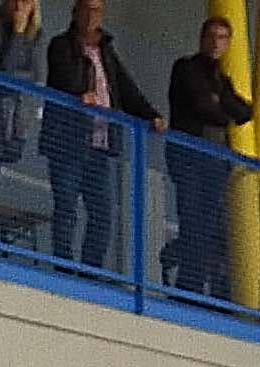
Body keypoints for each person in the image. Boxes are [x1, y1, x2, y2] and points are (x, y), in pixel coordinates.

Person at [44, 0, 162, 272]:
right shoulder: (62, 45)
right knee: (67, 208)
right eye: (86, 9)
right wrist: (78, 94)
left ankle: (90, 270)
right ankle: (63, 267)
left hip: (100, 145)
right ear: (75, 13)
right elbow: (62, 77)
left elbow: (126, 89)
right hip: (68, 141)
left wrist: (151, 115)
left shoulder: (107, 51)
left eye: (96, 10)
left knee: (103, 214)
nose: (91, 16)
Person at [164, 17, 254, 296]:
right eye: (212, 36)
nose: (216, 42)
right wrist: (221, 108)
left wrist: (220, 104)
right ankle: (186, 287)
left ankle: (190, 284)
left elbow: (246, 111)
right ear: (202, 38)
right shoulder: (186, 68)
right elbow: (205, 107)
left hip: (214, 163)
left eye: (223, 37)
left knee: (208, 227)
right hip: (190, 158)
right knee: (192, 222)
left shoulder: (220, 80)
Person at [0, 0, 47, 239]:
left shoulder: (36, 34)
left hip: (9, 123)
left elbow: (34, 77)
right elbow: (2, 72)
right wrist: (16, 33)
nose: (18, 6)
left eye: (25, 1)